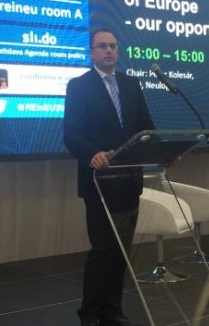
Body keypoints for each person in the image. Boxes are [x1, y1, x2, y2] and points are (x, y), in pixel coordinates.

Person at [64, 28, 154, 326]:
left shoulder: (131, 84)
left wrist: (160, 151)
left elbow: (146, 129)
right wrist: (92, 153)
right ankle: (89, 313)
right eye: (102, 46)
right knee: (103, 250)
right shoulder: (79, 86)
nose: (108, 51)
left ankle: (112, 311)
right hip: (99, 182)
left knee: (121, 253)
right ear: (91, 52)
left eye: (113, 46)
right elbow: (72, 133)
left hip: (129, 181)